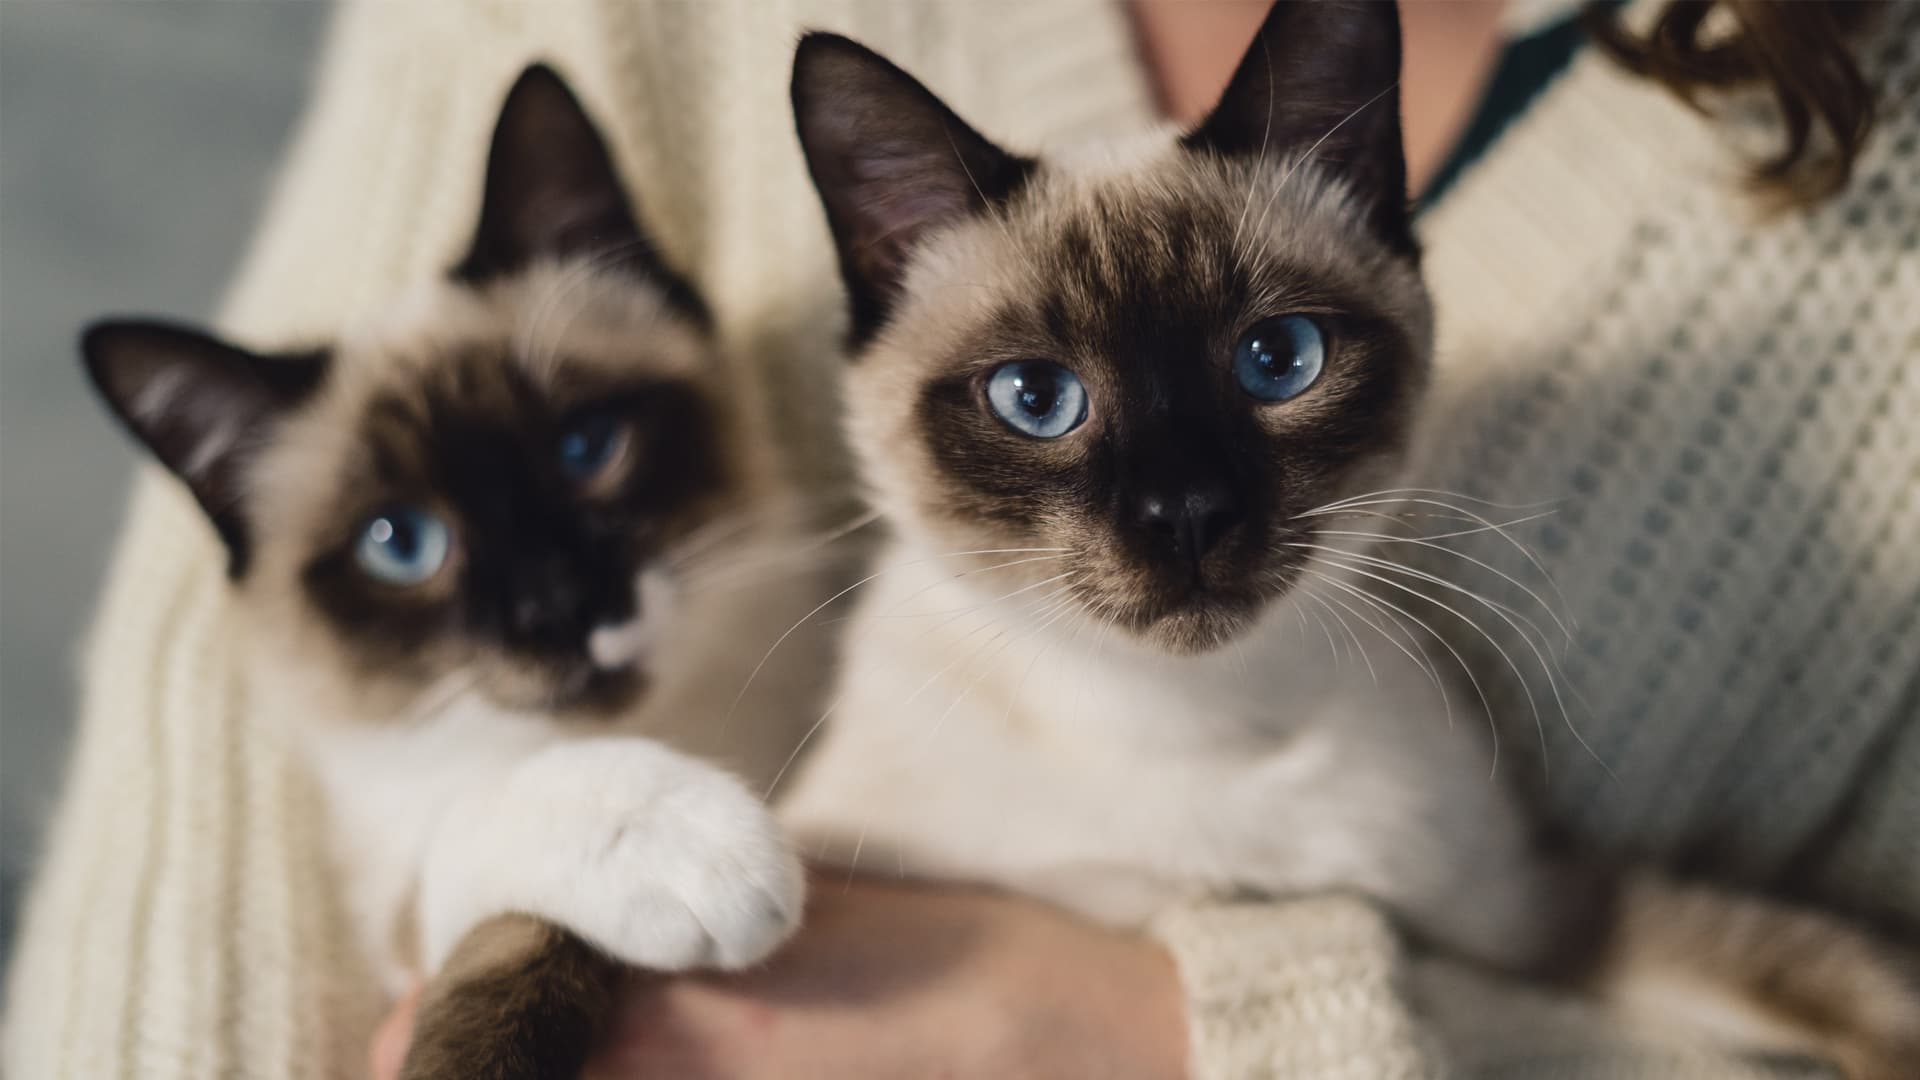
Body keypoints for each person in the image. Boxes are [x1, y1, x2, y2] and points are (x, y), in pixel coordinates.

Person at [8, 2, 1913, 1078]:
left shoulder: (1409, 719)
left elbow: (1600, 951)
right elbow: (235, 766)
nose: (1178, 507)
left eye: (1275, 362)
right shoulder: (868, 716)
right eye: (1035, 404)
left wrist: (1124, 1033)